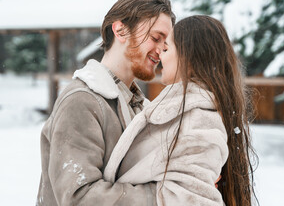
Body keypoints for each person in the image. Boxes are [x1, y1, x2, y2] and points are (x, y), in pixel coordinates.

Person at [36, 0, 176, 205]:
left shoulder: (141, 107)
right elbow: (79, 197)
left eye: (166, 44)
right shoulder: (82, 101)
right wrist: (162, 197)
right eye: (156, 38)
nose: (162, 50)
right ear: (120, 30)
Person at [103, 15, 257, 206]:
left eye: (166, 48)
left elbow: (194, 200)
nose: (160, 55)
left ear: (189, 58)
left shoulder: (198, 118)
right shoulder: (181, 110)